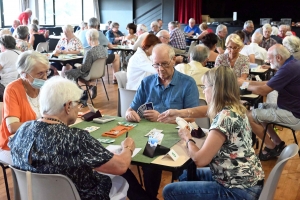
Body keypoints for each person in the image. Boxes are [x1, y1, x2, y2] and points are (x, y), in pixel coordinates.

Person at [8, 76, 133, 200]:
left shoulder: (21, 131)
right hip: (80, 196)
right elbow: (121, 166)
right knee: (120, 180)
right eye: (78, 104)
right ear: (68, 106)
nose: (79, 109)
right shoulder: (76, 138)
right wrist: (127, 147)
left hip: (33, 196)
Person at [159, 66, 265, 200]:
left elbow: (200, 159)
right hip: (248, 178)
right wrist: (179, 112)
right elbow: (207, 110)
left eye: (205, 87)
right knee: (185, 175)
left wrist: (188, 138)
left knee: (170, 191)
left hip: (238, 191)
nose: (203, 90)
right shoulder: (236, 108)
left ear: (216, 89)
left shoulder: (224, 118)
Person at [125, 43, 199, 199]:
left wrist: (162, 117)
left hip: (175, 134)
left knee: (149, 158)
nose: (160, 69)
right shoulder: (147, 82)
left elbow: (192, 117)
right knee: (121, 157)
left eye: (164, 64)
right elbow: (131, 108)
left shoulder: (187, 83)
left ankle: (149, 196)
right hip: (149, 133)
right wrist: (129, 114)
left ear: (173, 60)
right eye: (156, 64)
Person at [242, 44, 300, 161]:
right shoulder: (292, 63)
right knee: (260, 107)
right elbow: (270, 82)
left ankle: (272, 146)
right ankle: (277, 143)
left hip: (294, 115)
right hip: (290, 108)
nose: (268, 61)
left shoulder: (288, 69)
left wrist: (243, 85)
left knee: (248, 116)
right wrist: (247, 82)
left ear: (278, 57)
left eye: (270, 58)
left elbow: (263, 91)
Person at [0, 51, 50, 165]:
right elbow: (13, 127)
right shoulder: (12, 90)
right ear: (24, 74)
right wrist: (42, 124)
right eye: (40, 73)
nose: (45, 77)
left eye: (47, 72)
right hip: (13, 143)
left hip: (39, 140)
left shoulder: (44, 86)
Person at [78, 17, 120, 84]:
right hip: (98, 59)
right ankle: (115, 78)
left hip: (84, 59)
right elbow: (110, 46)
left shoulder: (81, 33)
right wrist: (117, 45)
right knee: (117, 57)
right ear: (97, 26)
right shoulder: (98, 33)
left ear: (88, 25)